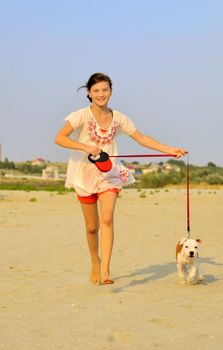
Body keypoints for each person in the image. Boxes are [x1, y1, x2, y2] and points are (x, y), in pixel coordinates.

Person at [55, 72, 187, 286]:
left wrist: (169, 150)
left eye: (105, 90)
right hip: (84, 174)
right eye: (96, 90)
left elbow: (141, 137)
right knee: (91, 227)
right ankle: (94, 261)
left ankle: (106, 270)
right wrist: (85, 146)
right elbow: (59, 138)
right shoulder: (80, 115)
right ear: (89, 93)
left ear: (111, 91)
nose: (101, 94)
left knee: (107, 218)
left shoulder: (119, 118)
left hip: (109, 174)